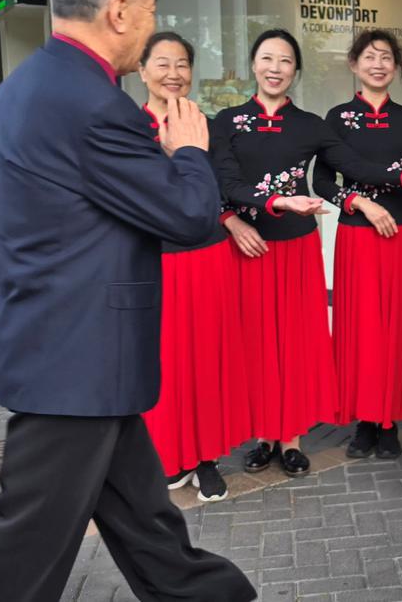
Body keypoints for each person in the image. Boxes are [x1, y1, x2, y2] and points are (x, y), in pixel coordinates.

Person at [0, 0, 255, 599]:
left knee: (148, 525)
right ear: (118, 11)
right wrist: (190, 154)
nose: (153, 25)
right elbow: (187, 217)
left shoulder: (19, 92)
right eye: (150, 11)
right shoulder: (99, 108)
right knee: (21, 553)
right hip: (78, 365)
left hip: (71, 360)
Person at [212, 29, 402, 476]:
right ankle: (266, 436)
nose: (275, 68)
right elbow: (222, 181)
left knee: (303, 341)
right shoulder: (228, 122)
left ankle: (300, 439)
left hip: (308, 242)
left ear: (296, 71)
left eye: (285, 61)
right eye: (267, 59)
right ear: (253, 64)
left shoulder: (311, 126)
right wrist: (233, 219)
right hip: (254, 243)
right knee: (259, 343)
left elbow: (353, 168)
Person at [313, 29, 402, 460]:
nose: (378, 64)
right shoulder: (336, 118)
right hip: (358, 235)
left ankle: (389, 421)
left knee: (397, 328)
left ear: (396, 68)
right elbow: (321, 180)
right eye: (369, 57)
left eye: (386, 57)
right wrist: (358, 202)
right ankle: (364, 421)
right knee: (362, 328)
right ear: (354, 64)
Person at [138, 31, 256, 501]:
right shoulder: (128, 129)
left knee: (207, 358)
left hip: (208, 257)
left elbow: (222, 187)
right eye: (163, 63)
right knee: (166, 361)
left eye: (183, 64)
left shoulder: (207, 125)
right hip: (157, 260)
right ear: (143, 70)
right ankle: (170, 455)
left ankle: (207, 458)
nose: (174, 73)